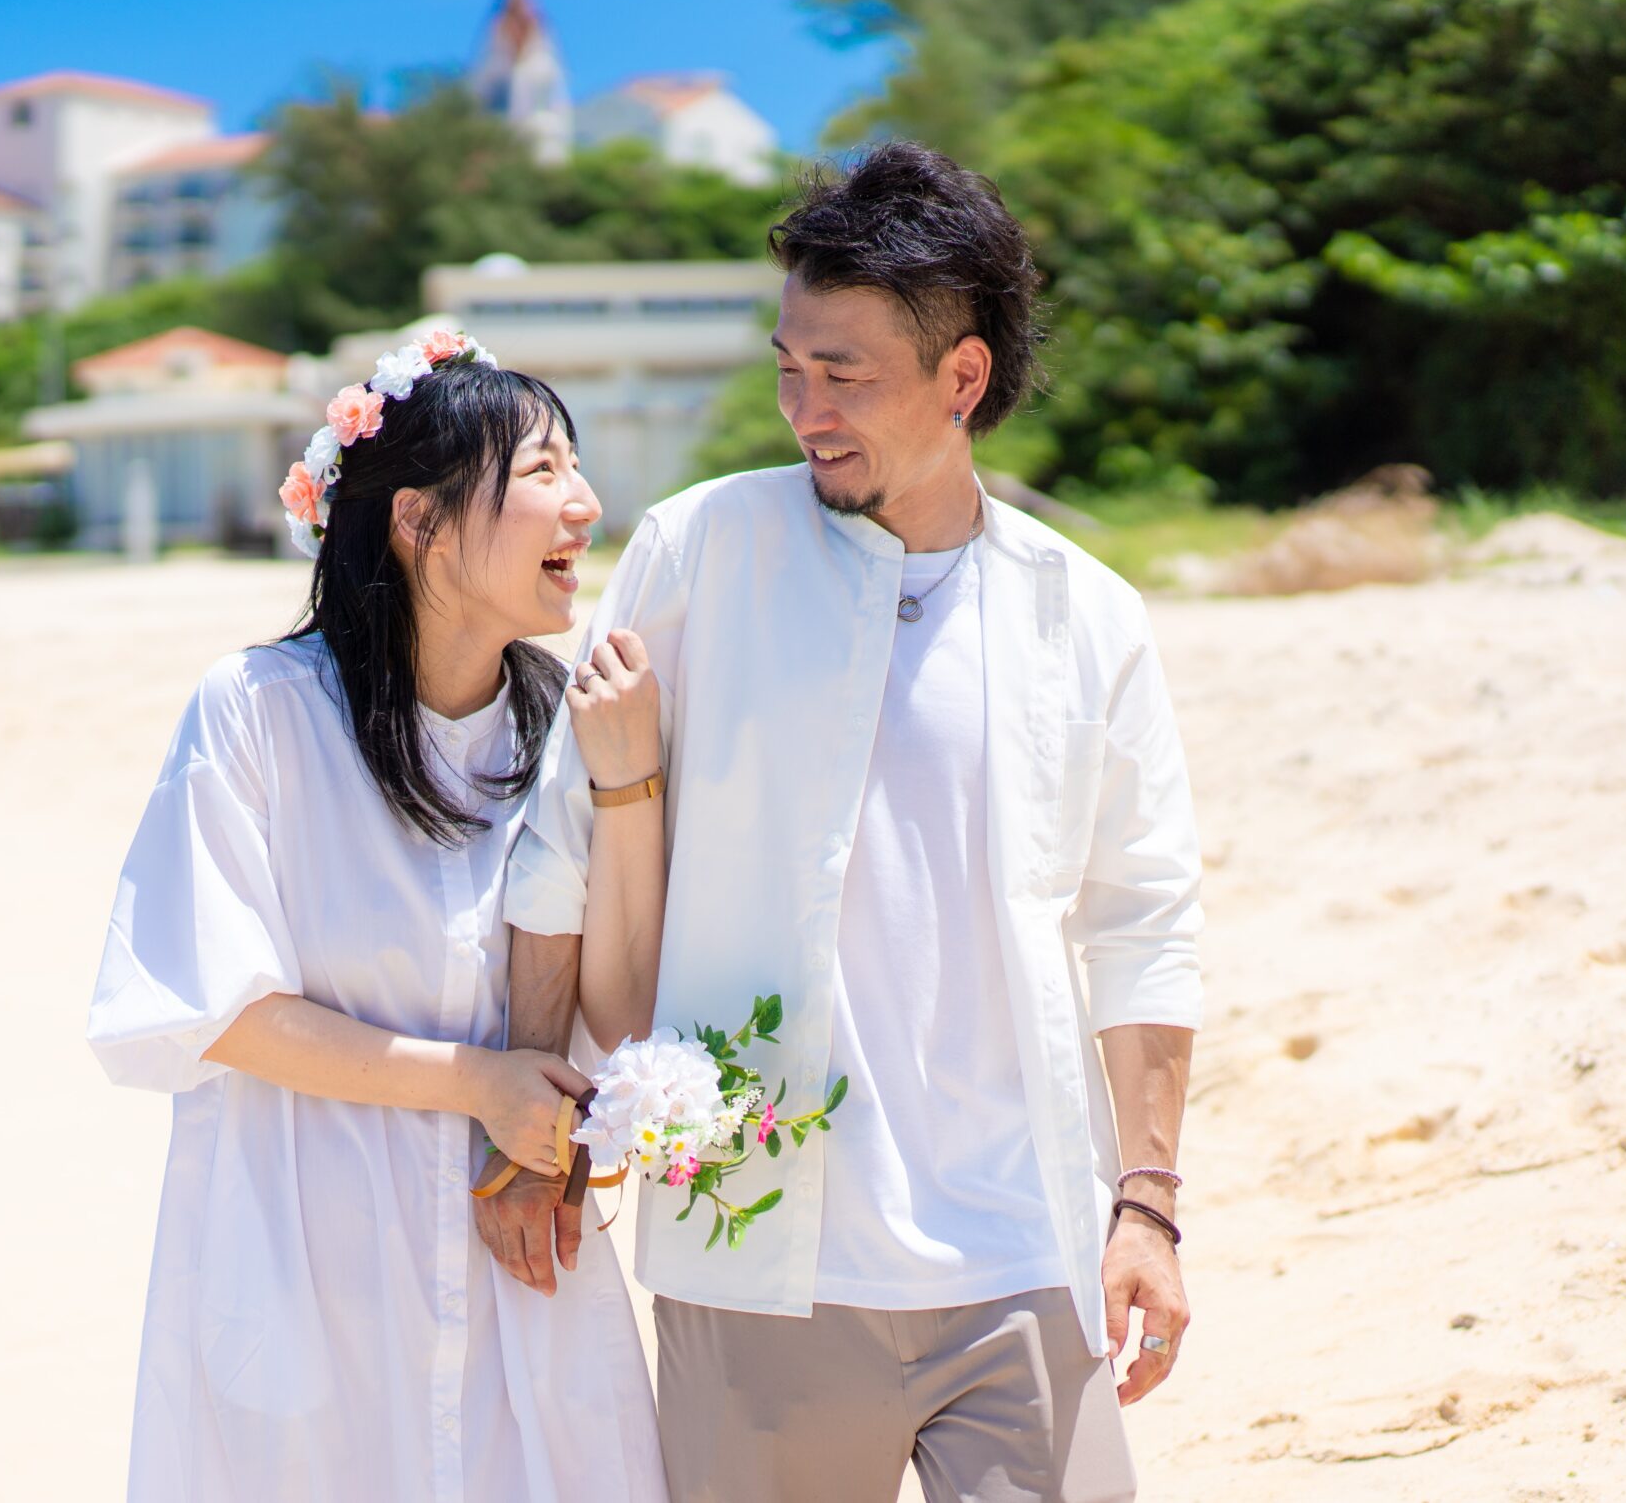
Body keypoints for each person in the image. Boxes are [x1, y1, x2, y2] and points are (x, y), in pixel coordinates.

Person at [481, 143, 1204, 1503]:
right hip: (760, 1255)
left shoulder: (1086, 613)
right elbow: (562, 856)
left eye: (846, 375)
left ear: (964, 379)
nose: (804, 409)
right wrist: (529, 1134)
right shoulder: (703, 549)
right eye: (788, 365)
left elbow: (1144, 917)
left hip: (1023, 1257)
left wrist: (1148, 1205)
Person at [86, 333, 669, 1503]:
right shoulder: (261, 715)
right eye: (544, 469)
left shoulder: (568, 728)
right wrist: (477, 1083)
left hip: (520, 1253)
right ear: (419, 520)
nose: (587, 505)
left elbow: (624, 1006)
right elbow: (219, 1011)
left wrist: (629, 786)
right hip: (308, 1251)